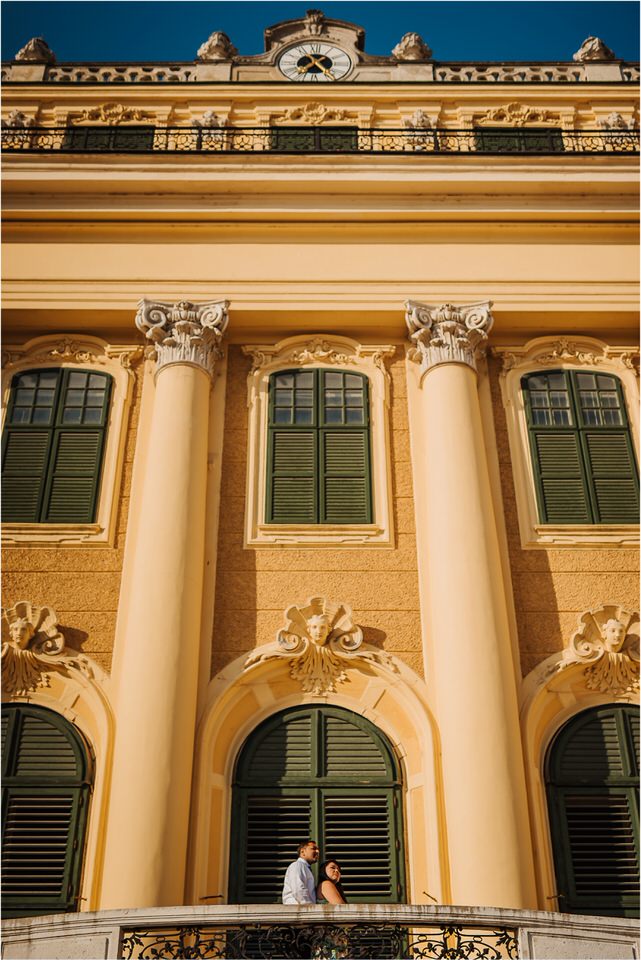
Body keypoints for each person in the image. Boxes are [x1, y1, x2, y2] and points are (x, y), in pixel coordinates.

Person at [282, 839, 319, 904]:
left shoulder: (304, 867)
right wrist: (308, 909)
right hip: (299, 910)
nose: (317, 851)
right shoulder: (297, 865)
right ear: (302, 852)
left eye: (317, 849)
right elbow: (298, 889)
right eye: (313, 848)